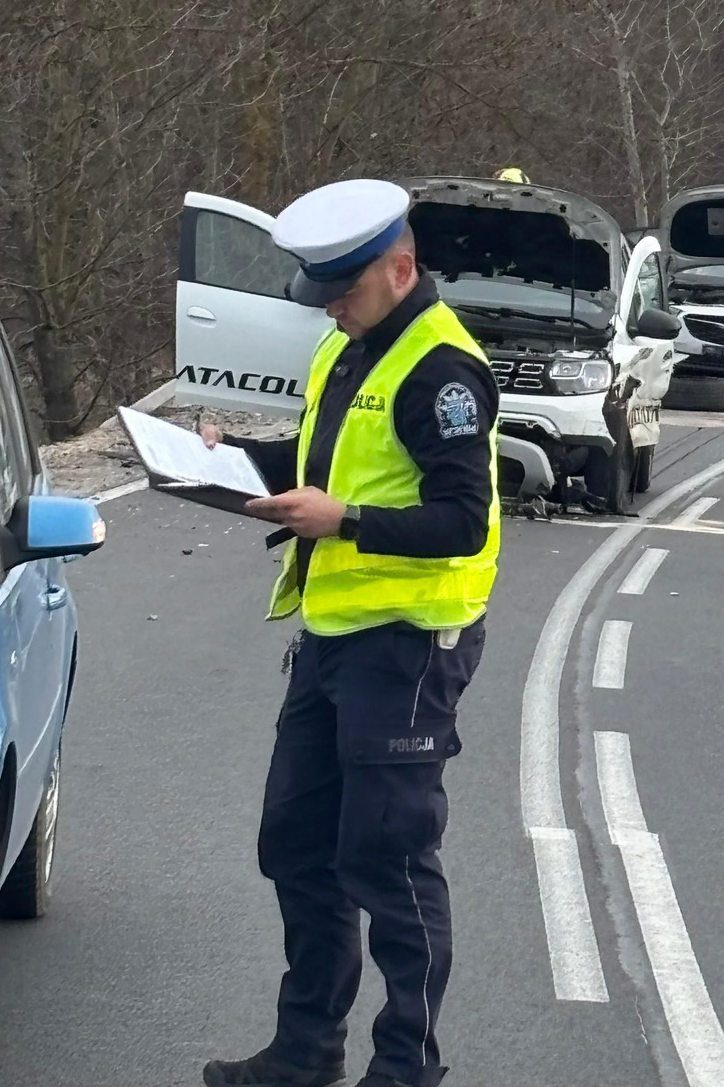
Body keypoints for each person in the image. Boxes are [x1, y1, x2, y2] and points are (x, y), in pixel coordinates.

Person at [201, 179, 501, 1087]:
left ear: (401, 268)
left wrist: (347, 523)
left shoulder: (442, 371)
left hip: (409, 647)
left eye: (345, 290)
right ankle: (305, 1052)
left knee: (391, 864)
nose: (330, 306)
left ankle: (404, 1069)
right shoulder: (349, 346)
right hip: (333, 640)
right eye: (323, 293)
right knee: (295, 842)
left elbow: (464, 520)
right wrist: (230, 459)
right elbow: (323, 467)